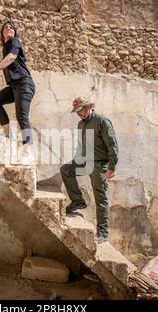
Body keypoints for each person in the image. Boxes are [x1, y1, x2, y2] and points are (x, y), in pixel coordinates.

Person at [60, 97, 119, 244]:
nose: (78, 114)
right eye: (77, 112)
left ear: (88, 107)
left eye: (80, 110)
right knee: (66, 169)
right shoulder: (81, 124)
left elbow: (112, 145)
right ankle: (78, 201)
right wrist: (76, 159)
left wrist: (112, 167)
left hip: (99, 165)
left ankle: (103, 234)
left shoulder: (102, 122)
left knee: (100, 198)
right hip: (85, 161)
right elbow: (81, 145)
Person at [0, 21, 36, 165]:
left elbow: (12, 57)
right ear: (2, 33)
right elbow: (8, 59)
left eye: (11, 27)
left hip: (24, 83)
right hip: (15, 85)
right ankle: (8, 131)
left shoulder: (15, 42)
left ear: (14, 32)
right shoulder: (6, 48)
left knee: (22, 116)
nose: (8, 28)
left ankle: (28, 152)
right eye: (5, 27)